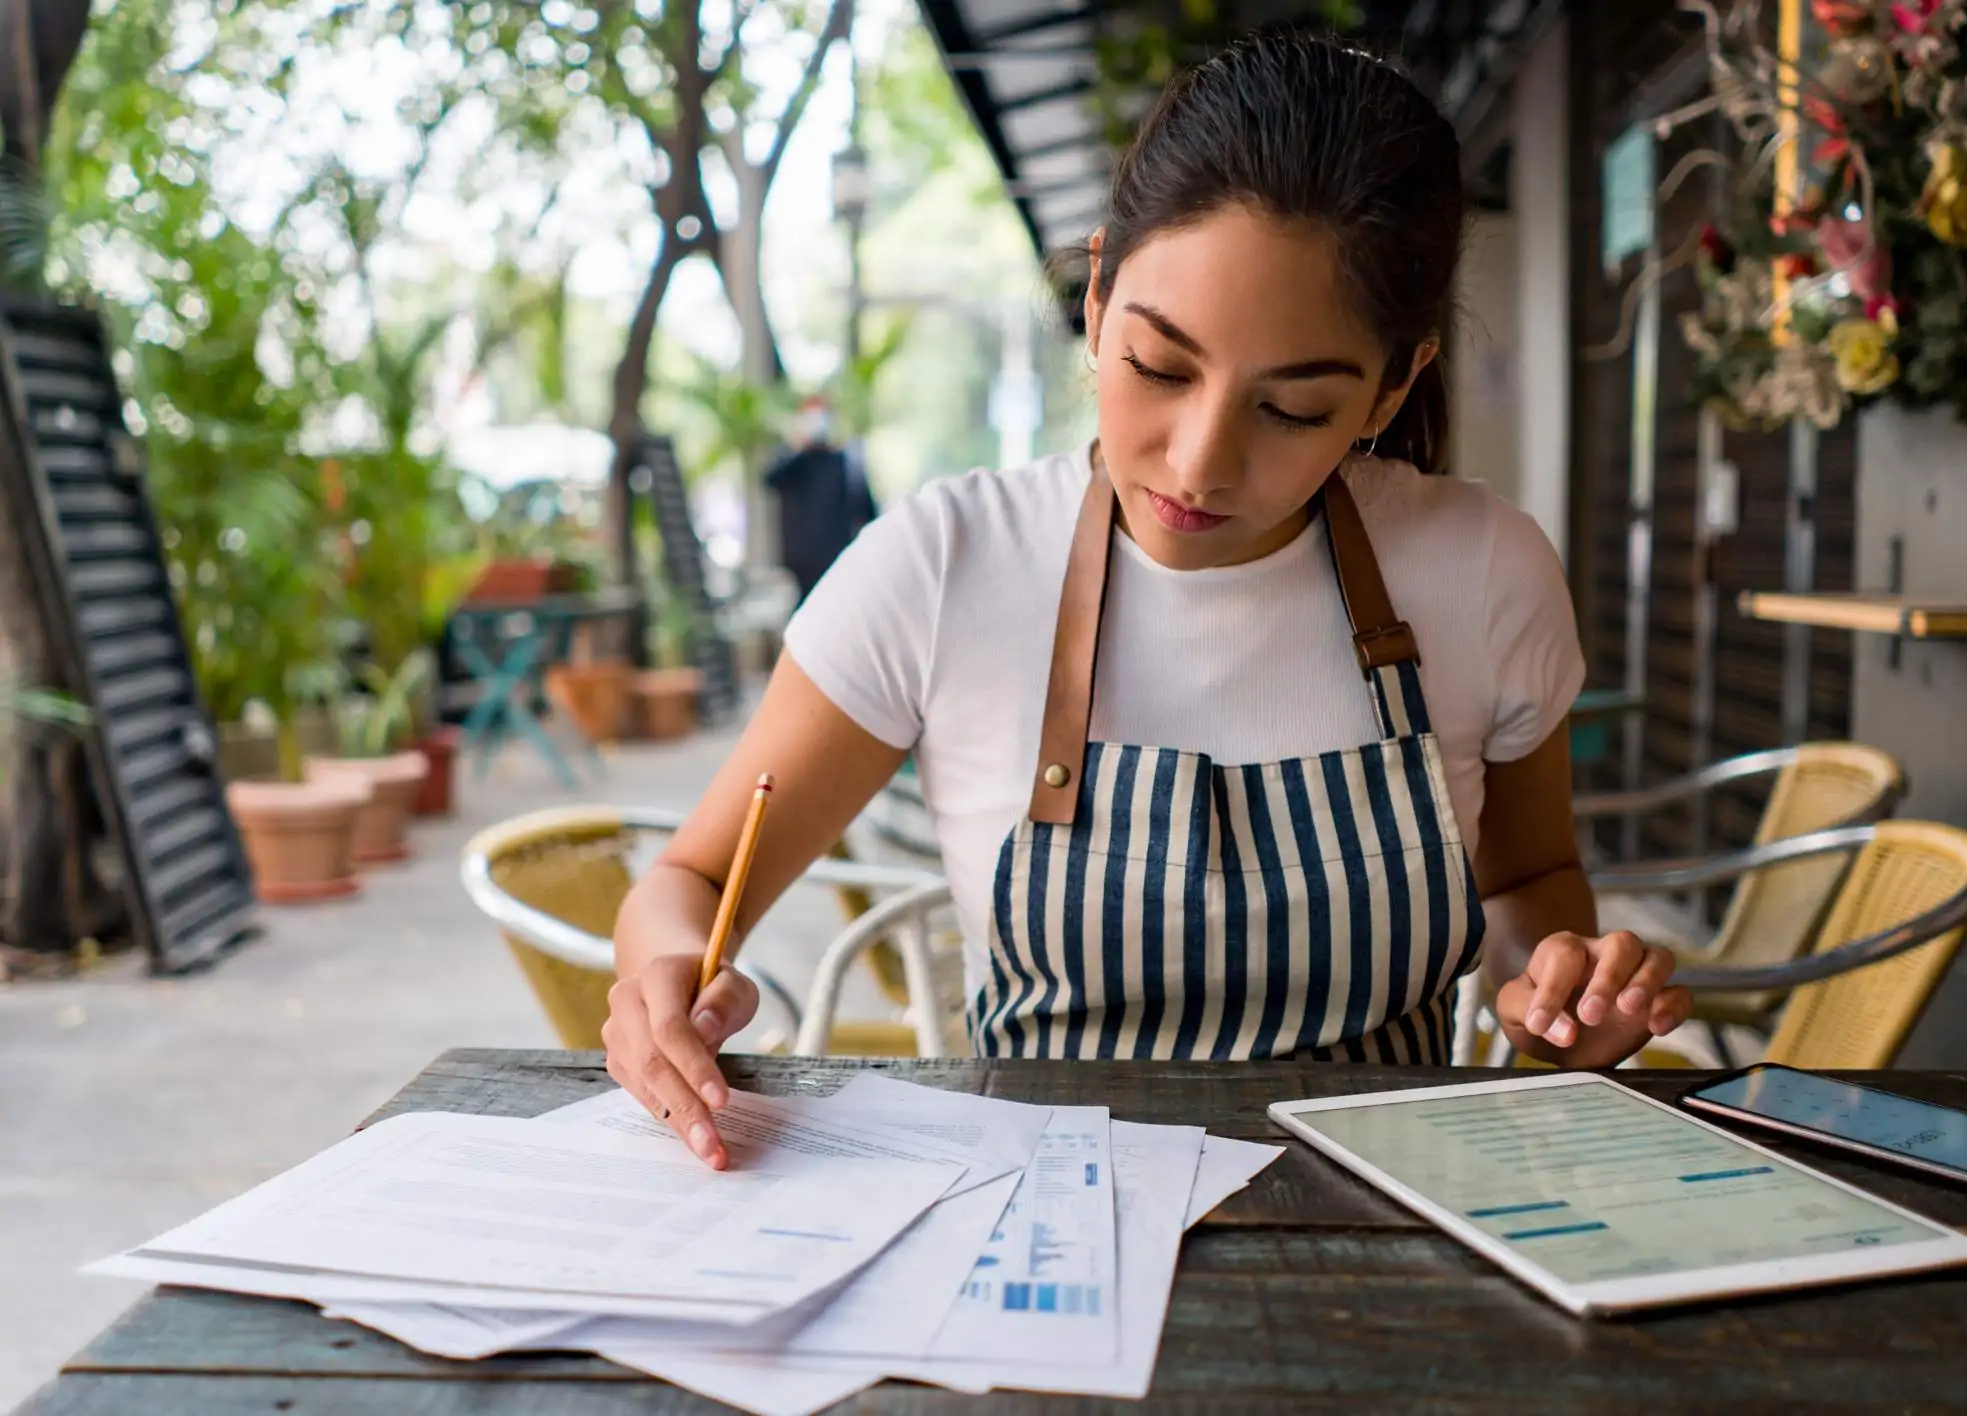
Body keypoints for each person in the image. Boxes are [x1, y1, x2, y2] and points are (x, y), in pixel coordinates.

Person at [608, 33, 1693, 1167]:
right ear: (1094, 294)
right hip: (1028, 1230)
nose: (1197, 464)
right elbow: (687, 881)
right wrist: (663, 974)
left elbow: (1527, 884)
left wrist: (1563, 993)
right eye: (1159, 368)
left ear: (1391, 387)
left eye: (1292, 409)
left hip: (1390, 1219)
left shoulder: (1481, 571)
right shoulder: (941, 567)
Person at [765, 396, 877, 601]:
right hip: (801, 560)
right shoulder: (794, 462)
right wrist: (797, 446)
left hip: (836, 556)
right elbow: (770, 480)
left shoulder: (844, 462)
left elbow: (866, 509)